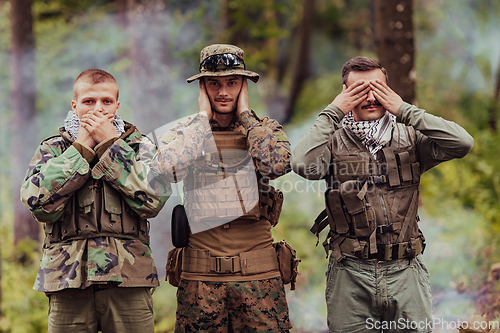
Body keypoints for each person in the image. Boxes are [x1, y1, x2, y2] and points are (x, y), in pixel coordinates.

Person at [291, 56, 474, 332]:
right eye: (360, 90)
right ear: (345, 95)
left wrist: (404, 109)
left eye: (377, 88)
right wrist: (333, 113)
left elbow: (462, 142)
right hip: (350, 275)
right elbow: (302, 164)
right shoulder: (332, 142)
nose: (370, 97)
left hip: (406, 273)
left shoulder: (411, 137)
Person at [151, 44, 294, 332]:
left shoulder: (263, 129)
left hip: (259, 279)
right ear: (202, 87)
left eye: (232, 82)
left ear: (244, 85)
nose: (223, 92)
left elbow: (277, 165)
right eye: (214, 84)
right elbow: (165, 169)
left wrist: (246, 117)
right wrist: (201, 120)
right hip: (200, 281)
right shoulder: (186, 133)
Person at [20, 69, 169, 333]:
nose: (97, 109)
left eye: (106, 101)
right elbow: (36, 201)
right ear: (74, 105)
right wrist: (80, 150)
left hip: (129, 281)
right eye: (89, 101)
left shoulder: (139, 146)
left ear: (117, 105)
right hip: (67, 281)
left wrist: (110, 146)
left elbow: (154, 199)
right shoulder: (53, 149)